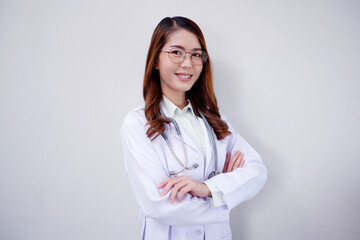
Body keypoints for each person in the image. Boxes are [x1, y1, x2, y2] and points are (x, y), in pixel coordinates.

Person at [120, 16, 267, 240]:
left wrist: (208, 188)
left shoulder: (215, 120)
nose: (188, 64)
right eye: (176, 52)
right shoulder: (137, 124)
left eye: (196, 54)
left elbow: (257, 171)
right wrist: (225, 193)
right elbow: (158, 205)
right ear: (156, 60)